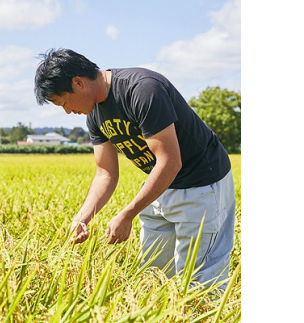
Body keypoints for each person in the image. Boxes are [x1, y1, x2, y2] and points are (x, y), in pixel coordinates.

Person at [33, 48, 236, 289]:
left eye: (63, 102)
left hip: (201, 186)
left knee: (201, 283)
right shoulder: (94, 115)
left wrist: (127, 214)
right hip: (160, 186)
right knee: (153, 278)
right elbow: (105, 172)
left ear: (78, 83)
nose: (67, 111)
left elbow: (170, 162)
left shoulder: (142, 90)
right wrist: (82, 218)